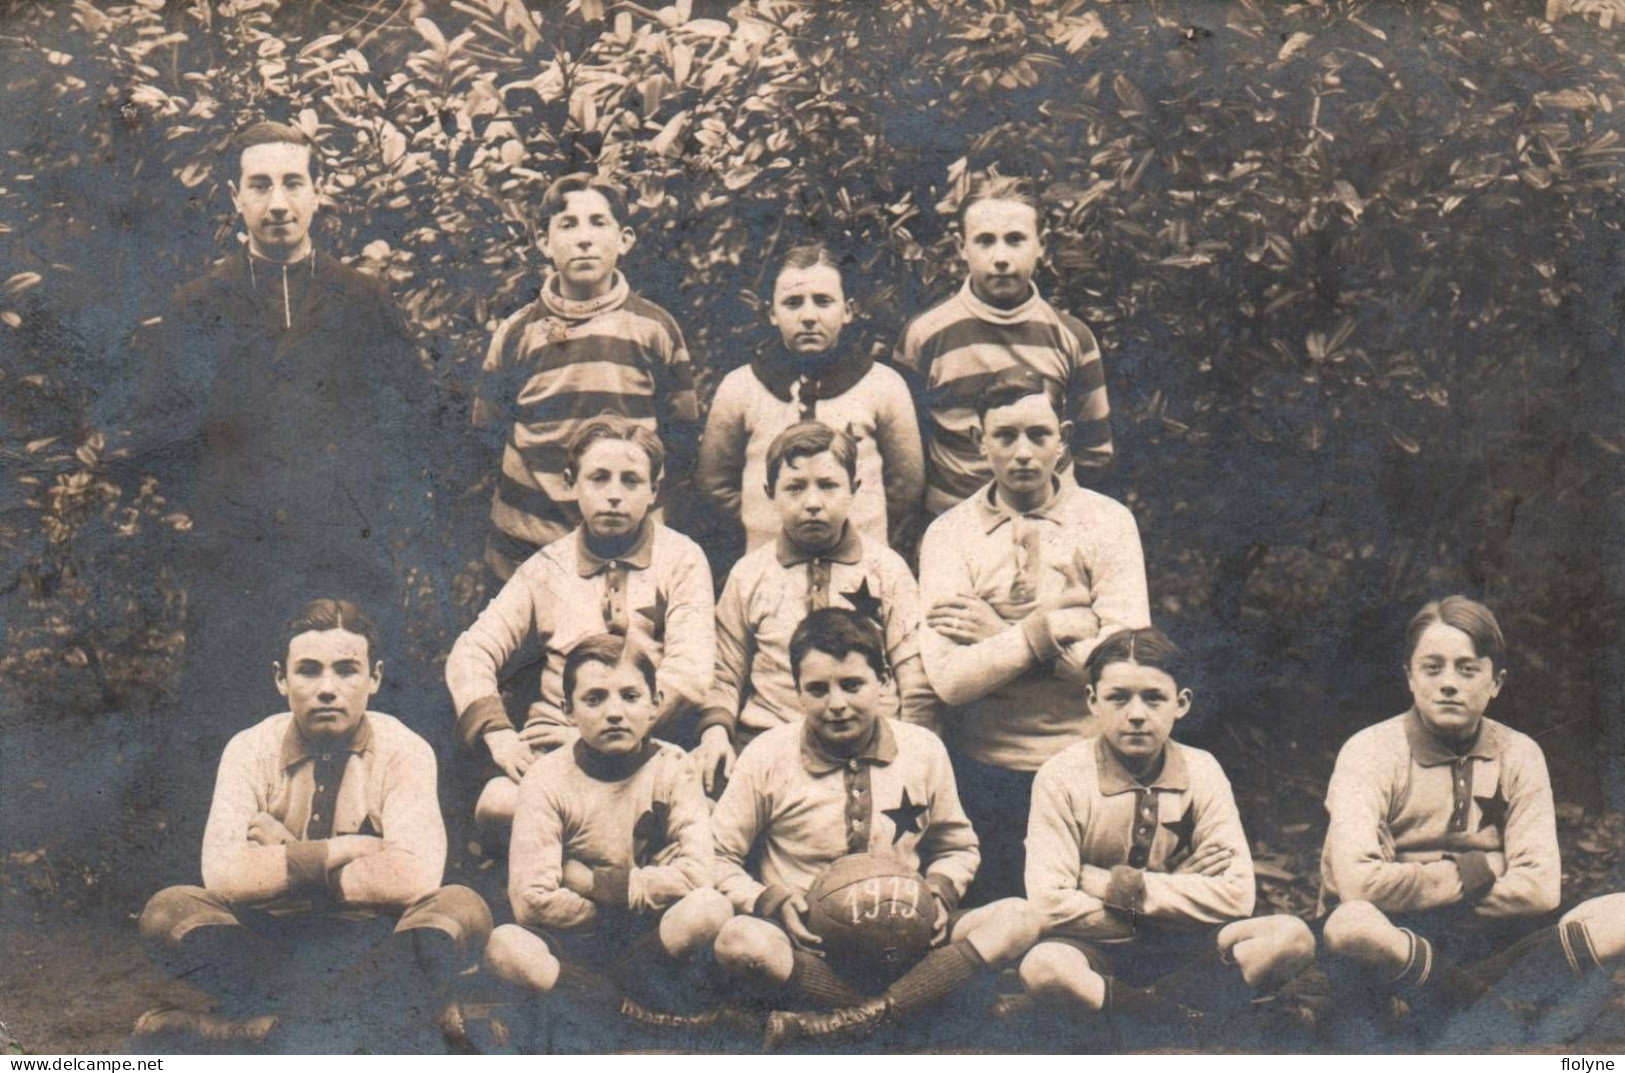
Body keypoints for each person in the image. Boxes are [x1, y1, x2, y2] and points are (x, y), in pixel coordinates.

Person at [125, 120, 441, 727]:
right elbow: (158, 436)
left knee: (352, 713)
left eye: (293, 183)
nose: (278, 203)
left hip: (344, 549)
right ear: (234, 196)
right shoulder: (199, 305)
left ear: (318, 192)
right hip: (238, 560)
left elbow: (414, 416)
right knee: (234, 715)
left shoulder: (363, 300)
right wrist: (220, 505)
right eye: (260, 185)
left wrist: (365, 497)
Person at [135, 599, 492, 1049]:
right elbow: (222, 875)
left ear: (374, 678)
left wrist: (283, 857)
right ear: (281, 679)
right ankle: (383, 1018)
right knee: (169, 912)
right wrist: (352, 850)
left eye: (346, 670)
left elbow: (415, 877)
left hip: (379, 944)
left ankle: (252, 1032)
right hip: (270, 947)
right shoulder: (248, 749)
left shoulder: (405, 750)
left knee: (464, 910)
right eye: (308, 670)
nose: (328, 688)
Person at [709, 608, 1039, 1049]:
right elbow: (715, 854)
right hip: (810, 945)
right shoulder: (767, 755)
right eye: (818, 689)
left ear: (884, 681)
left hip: (910, 939)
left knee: (1020, 916)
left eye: (852, 684)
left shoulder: (922, 749)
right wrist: (769, 901)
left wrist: (940, 893)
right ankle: (905, 1011)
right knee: (738, 940)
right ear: (797, 693)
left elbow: (957, 846)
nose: (837, 703)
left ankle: (855, 1019)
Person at [1318, 595, 1625, 1048]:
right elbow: (1360, 888)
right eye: (1432, 667)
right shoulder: (1369, 751)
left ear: (1496, 681)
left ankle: (1461, 1003)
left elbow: (1541, 889)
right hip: (1394, 946)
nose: (1448, 684)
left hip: (1491, 944)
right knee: (1352, 924)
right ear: (1408, 676)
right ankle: (1500, 1011)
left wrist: (1410, 872)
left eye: (1467, 669)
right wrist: (1485, 866)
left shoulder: (1519, 753)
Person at [1017, 628, 1316, 1047]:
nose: (1136, 713)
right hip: (1097, 948)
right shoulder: (1061, 776)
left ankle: (1132, 1013)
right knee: (1045, 967)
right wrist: (1175, 896)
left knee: (1291, 936)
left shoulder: (1203, 770)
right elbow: (1049, 904)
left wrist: (1116, 886)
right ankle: (1181, 1018)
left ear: (1182, 703)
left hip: (1186, 949)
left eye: (1153, 697)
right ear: (1092, 702)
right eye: (1118, 697)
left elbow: (1237, 895)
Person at [918, 367, 1149, 903]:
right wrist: (1050, 630)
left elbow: (1129, 672)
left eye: (1038, 435)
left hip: (1088, 765)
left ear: (1064, 439)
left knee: (1085, 923)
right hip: (983, 773)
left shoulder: (1107, 523)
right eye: (1004, 436)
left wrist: (1003, 636)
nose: (1022, 453)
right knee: (998, 933)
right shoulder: (949, 534)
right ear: (980, 442)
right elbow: (950, 680)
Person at [446, 416, 714, 840]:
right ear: (571, 483)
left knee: (703, 815)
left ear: (654, 490)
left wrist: (597, 728)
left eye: (630, 481)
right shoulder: (547, 568)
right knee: (497, 803)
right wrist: (498, 734)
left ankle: (584, 853)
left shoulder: (682, 559)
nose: (613, 495)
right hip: (560, 752)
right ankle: (605, 846)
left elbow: (690, 672)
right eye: (598, 478)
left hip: (645, 746)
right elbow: (472, 651)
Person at [482, 635, 736, 1035]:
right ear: (568, 710)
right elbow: (533, 901)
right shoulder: (546, 778)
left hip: (651, 940)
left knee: (710, 907)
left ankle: (589, 1007)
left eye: (630, 697)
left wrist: (592, 882)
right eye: (595, 698)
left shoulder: (674, 767)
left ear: (655, 704)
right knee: (506, 946)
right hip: (577, 941)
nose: (614, 712)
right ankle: (626, 1011)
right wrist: (635, 895)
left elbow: (697, 875)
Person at [693, 422, 938, 796]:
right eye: (794, 487)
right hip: (771, 747)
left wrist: (914, 754)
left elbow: (914, 677)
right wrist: (714, 732)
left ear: (854, 489)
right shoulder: (750, 575)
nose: (812, 502)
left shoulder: (886, 570)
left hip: (871, 751)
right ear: (770, 493)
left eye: (828, 485)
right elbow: (724, 672)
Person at [474, 172, 698, 580]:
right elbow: (488, 430)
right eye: (568, 224)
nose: (584, 238)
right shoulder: (518, 333)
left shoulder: (654, 329)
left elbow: (679, 433)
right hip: (527, 548)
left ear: (624, 239)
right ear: (543, 241)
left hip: (626, 544)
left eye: (599, 222)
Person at [893, 174, 1112, 516]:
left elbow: (1094, 452)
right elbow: (906, 451)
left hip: (1053, 524)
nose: (1000, 257)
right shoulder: (925, 336)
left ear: (1041, 243)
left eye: (1015, 240)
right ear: (961, 245)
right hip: (957, 527)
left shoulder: (1073, 337)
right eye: (985, 240)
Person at [696, 241, 924, 551]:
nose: (808, 316)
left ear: (849, 310)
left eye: (823, 301)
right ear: (771, 312)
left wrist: (857, 520)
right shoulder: (741, 387)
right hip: (770, 558)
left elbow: (905, 486)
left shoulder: (882, 385)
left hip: (860, 559)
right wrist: (766, 518)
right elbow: (716, 484)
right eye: (792, 302)